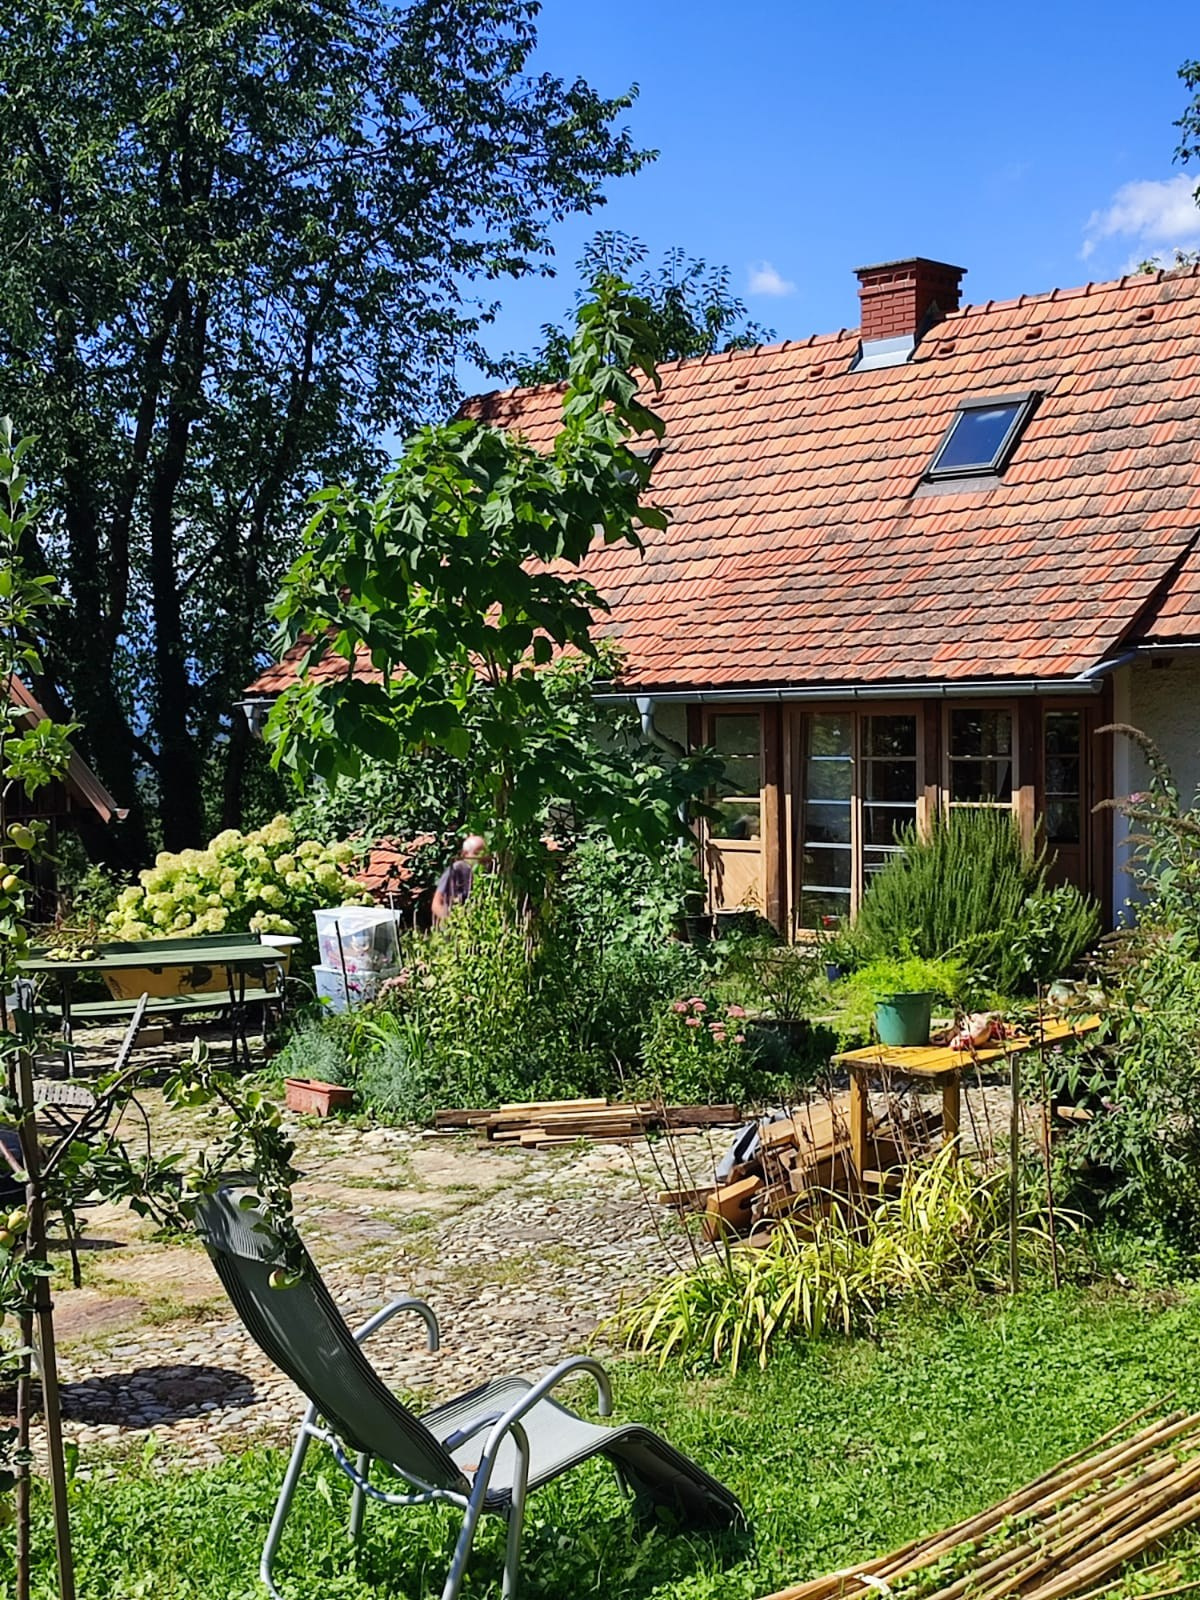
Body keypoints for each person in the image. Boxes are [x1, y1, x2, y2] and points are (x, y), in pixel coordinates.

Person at [431, 834, 488, 923]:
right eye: (477, 853)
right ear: (465, 854)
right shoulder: (457, 869)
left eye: (483, 853)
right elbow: (437, 903)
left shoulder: (486, 874)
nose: (481, 857)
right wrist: (451, 922)